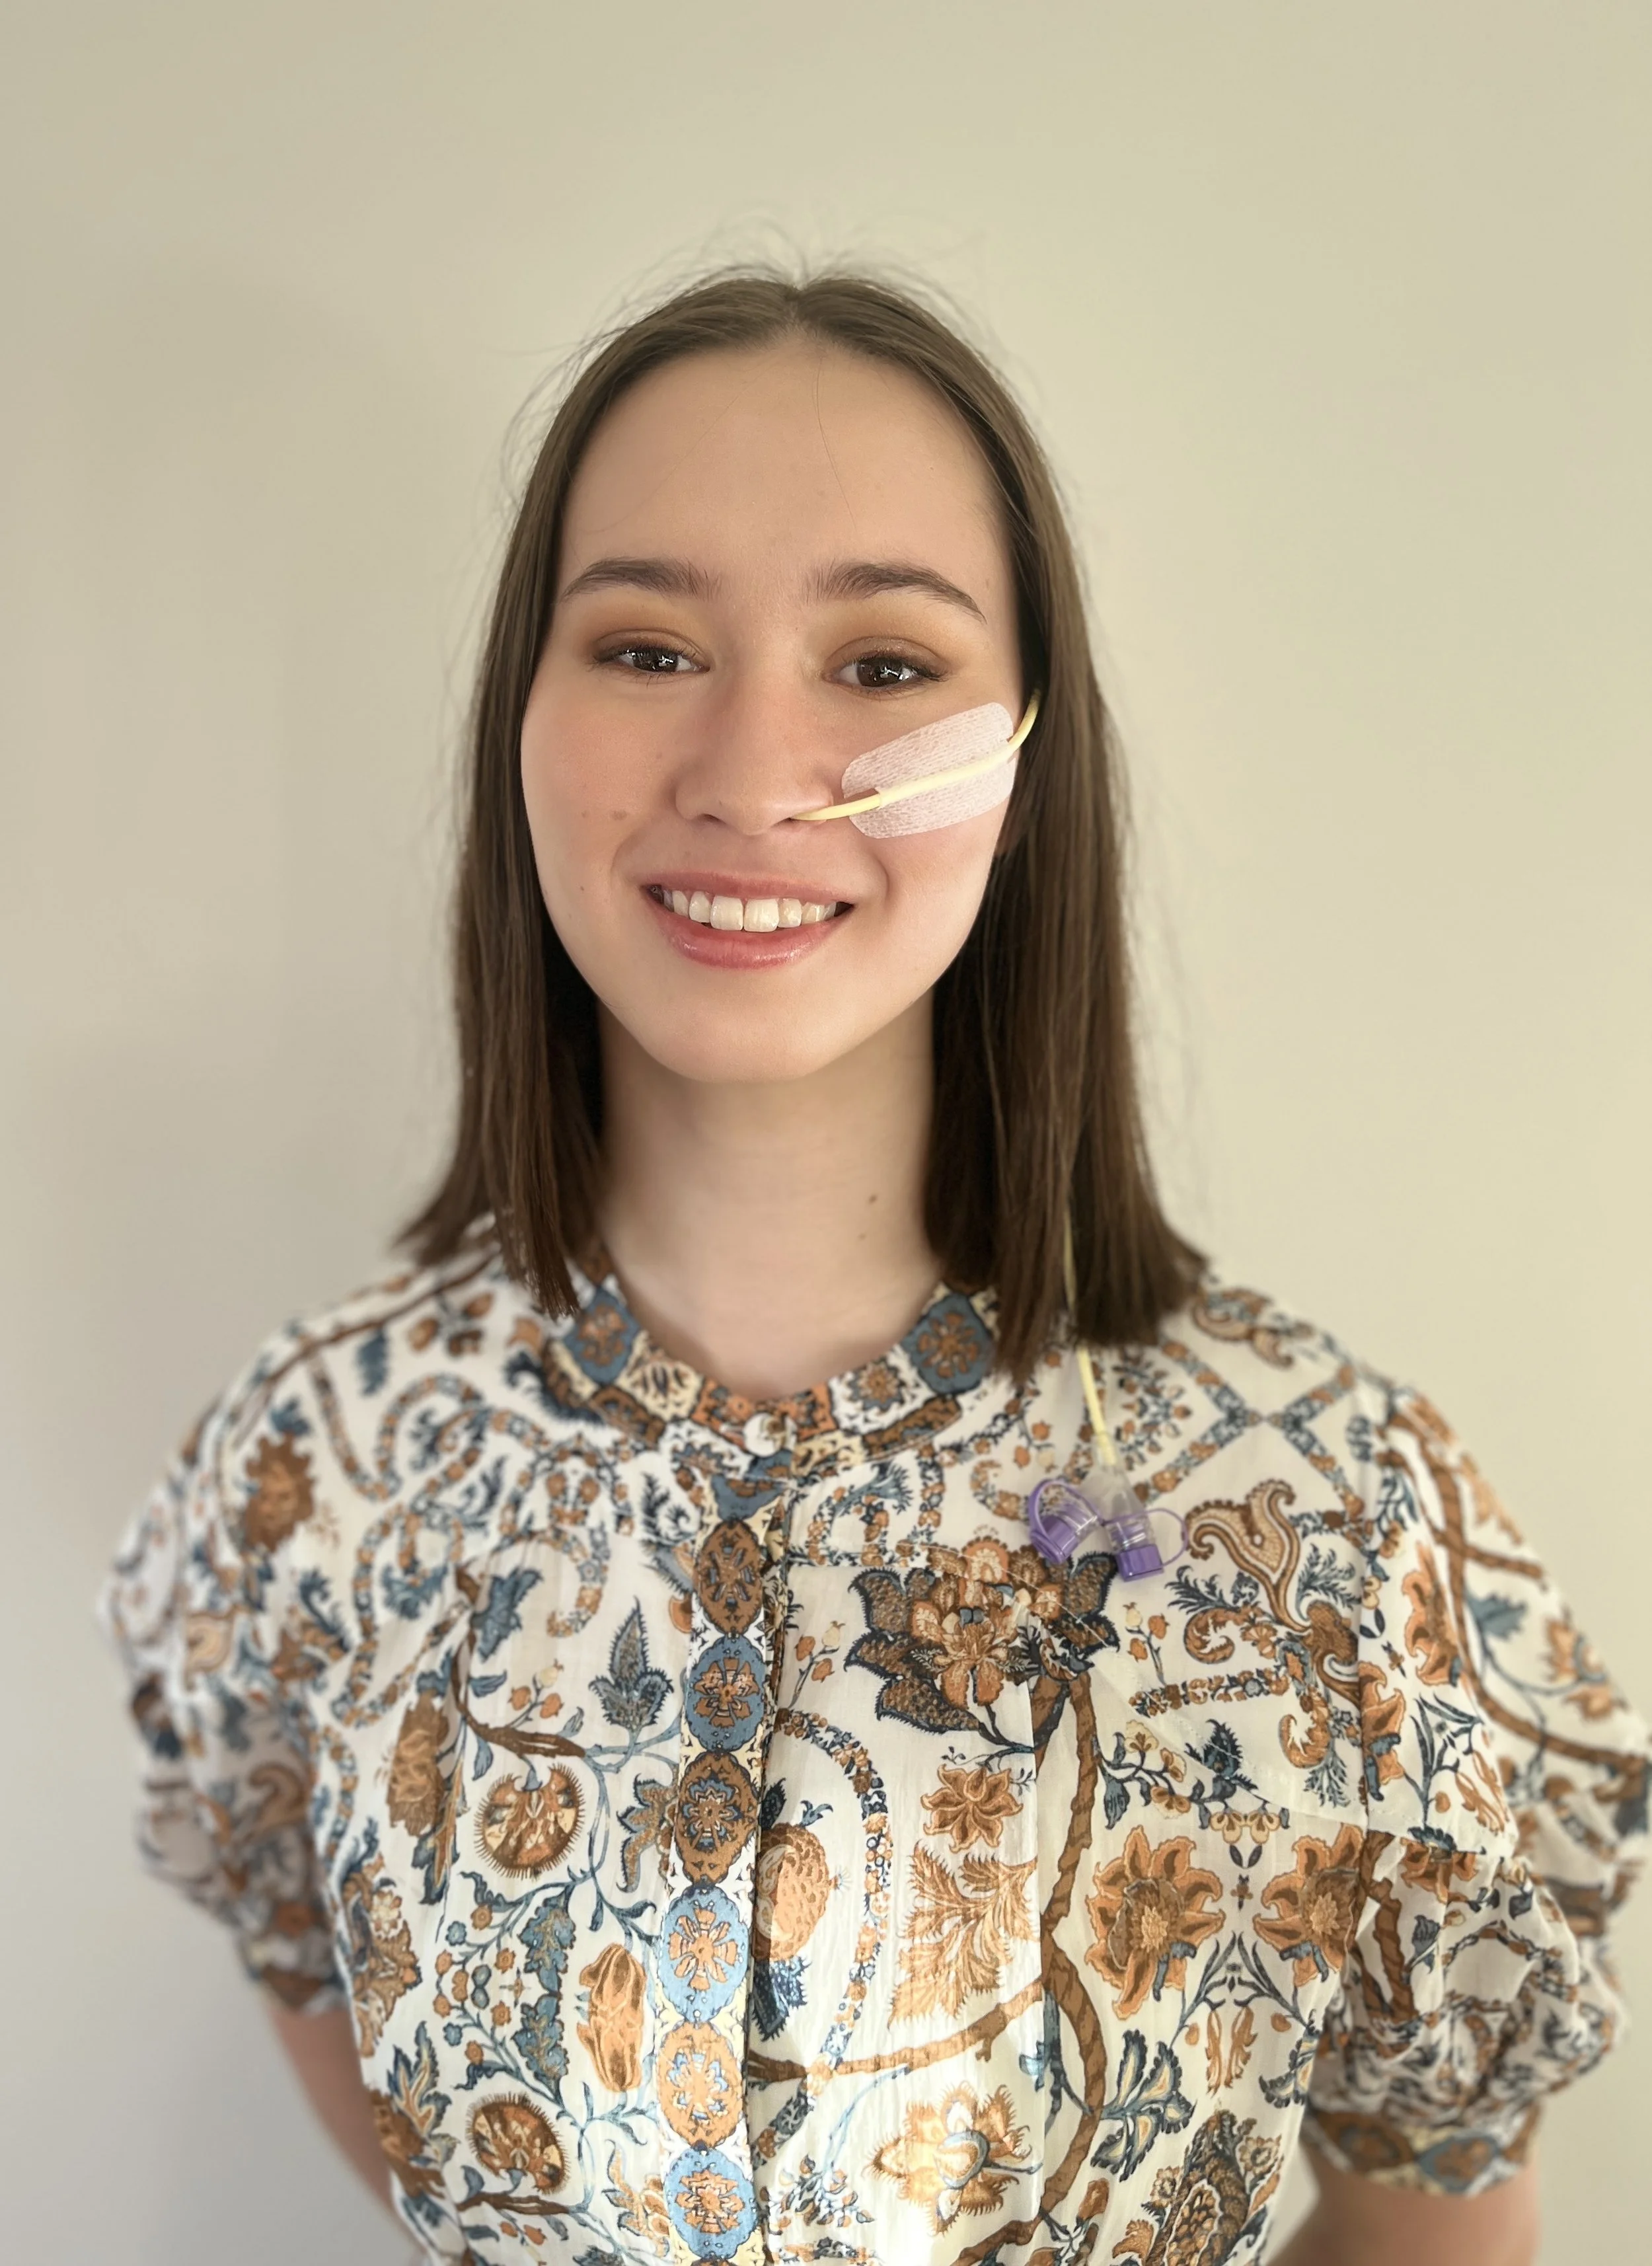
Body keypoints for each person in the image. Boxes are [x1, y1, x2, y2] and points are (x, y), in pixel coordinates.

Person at [100, 269, 1648, 2266]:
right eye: (646, 645)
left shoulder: (1334, 1518)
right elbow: (332, 2016)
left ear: (1025, 767)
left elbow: (1437, 2205)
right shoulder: (312, 1472)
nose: (754, 773)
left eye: (885, 663)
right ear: (522, 726)